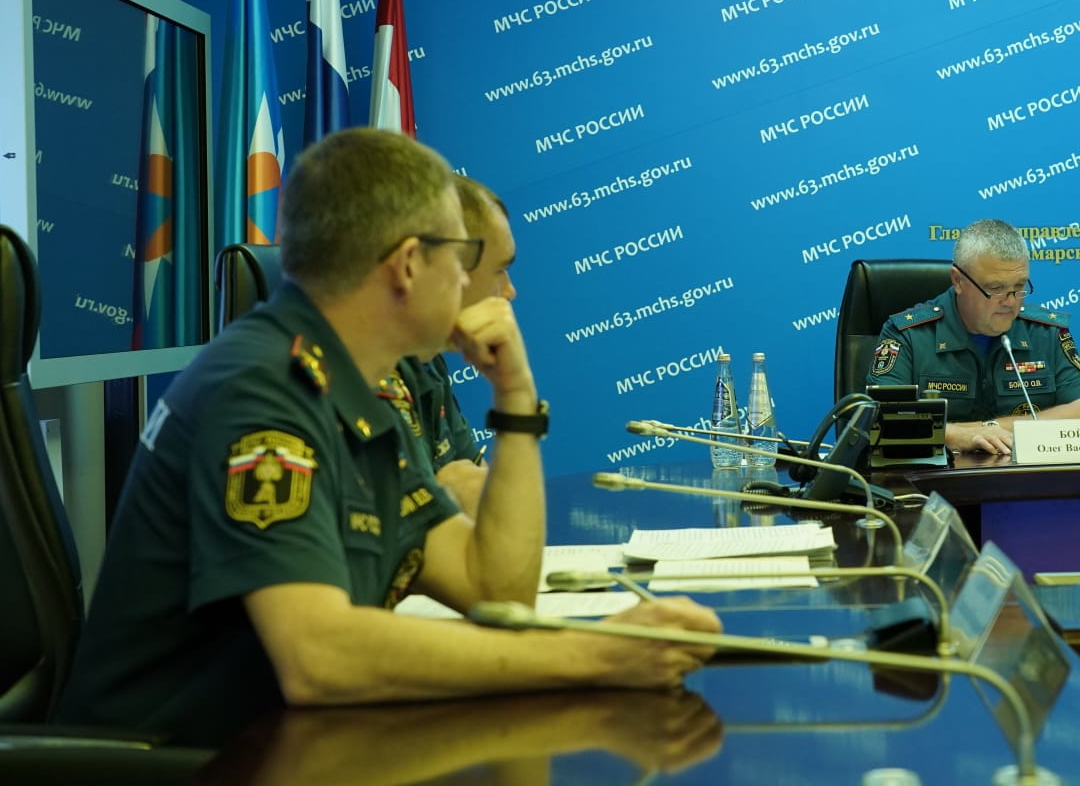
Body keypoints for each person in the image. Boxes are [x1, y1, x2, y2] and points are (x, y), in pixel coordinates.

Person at [56, 129, 720, 743]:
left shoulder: (358, 392)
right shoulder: (263, 393)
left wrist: (516, 404)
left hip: (277, 747)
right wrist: (595, 655)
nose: (470, 282)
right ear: (407, 266)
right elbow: (318, 657)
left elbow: (494, 587)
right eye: (462, 258)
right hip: (171, 762)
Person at [865, 219, 1080, 457]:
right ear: (958, 281)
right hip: (933, 476)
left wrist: (988, 428)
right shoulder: (908, 335)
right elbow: (884, 420)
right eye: (995, 288)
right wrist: (960, 437)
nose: (1010, 301)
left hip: (1025, 475)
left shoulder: (1046, 332)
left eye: (1019, 286)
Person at [382, 175, 514, 515]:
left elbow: (485, 494)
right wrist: (449, 497)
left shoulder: (427, 358)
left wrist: (517, 392)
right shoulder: (363, 373)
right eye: (498, 270)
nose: (509, 291)